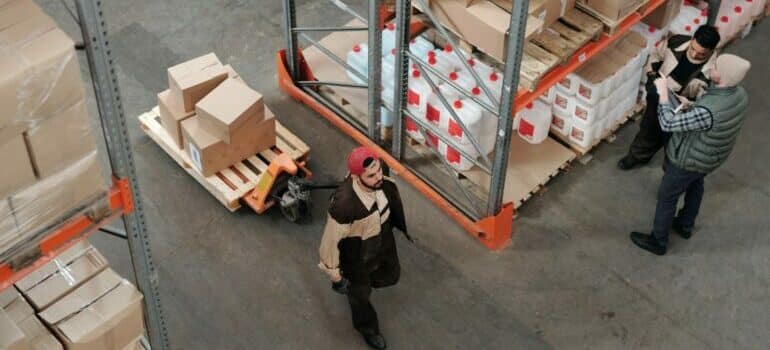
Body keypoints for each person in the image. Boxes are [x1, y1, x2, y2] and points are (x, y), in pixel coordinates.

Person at [630, 54, 750, 256]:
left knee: (667, 196)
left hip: (689, 159)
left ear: (721, 76)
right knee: (696, 185)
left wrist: (663, 96)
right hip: (710, 157)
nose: (711, 67)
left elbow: (667, 123)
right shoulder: (739, 94)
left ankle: (658, 240)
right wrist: (691, 105)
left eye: (716, 66)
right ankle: (685, 225)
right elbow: (714, 115)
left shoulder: (709, 111)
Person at [318, 146, 411, 349]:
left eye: (379, 170)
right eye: (371, 175)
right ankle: (367, 329)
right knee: (360, 296)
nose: (379, 176)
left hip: (383, 240)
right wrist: (335, 274)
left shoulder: (379, 173)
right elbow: (330, 241)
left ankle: (366, 284)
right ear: (355, 176)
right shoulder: (344, 206)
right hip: (356, 256)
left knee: (392, 275)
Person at [618, 25, 721, 170]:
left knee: (673, 145)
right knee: (648, 129)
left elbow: (707, 102)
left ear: (711, 51)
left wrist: (689, 104)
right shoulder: (676, 42)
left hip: (682, 113)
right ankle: (637, 156)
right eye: (692, 48)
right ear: (692, 39)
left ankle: (669, 171)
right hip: (659, 97)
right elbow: (656, 55)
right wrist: (651, 75)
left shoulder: (713, 72)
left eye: (701, 54)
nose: (694, 55)